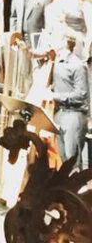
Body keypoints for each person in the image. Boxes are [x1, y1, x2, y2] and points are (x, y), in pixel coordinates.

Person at [50, 31, 89, 166]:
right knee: (63, 159)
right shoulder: (55, 61)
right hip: (60, 114)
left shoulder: (77, 66)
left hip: (74, 115)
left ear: (65, 42)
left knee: (71, 160)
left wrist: (56, 96)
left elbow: (81, 95)